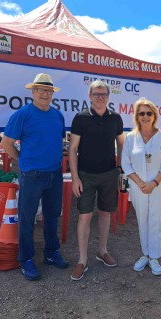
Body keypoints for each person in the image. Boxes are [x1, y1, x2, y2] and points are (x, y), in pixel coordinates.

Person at [2, 73, 69, 281]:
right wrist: (24, 161)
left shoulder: (57, 115)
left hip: (54, 174)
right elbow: (6, 143)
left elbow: (57, 142)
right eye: (40, 90)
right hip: (31, 175)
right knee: (27, 219)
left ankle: (51, 253)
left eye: (48, 90)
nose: (44, 93)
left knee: (51, 217)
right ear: (32, 92)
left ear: (52, 94)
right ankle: (27, 260)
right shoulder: (22, 114)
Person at [69, 80, 124, 281]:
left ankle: (102, 251)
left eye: (103, 94)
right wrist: (75, 177)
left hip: (109, 173)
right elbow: (73, 148)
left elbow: (121, 144)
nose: (100, 97)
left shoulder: (116, 118)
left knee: (105, 213)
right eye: (96, 94)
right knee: (84, 216)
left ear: (108, 96)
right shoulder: (81, 118)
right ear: (90, 96)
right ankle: (82, 260)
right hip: (86, 175)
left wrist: (122, 170)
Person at [121, 98, 161, 276]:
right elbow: (125, 164)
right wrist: (141, 183)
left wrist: (153, 183)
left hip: (157, 186)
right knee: (142, 220)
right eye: (141, 113)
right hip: (138, 187)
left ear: (154, 115)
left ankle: (154, 257)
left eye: (149, 113)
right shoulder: (130, 138)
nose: (145, 116)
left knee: (156, 221)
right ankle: (145, 254)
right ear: (136, 116)